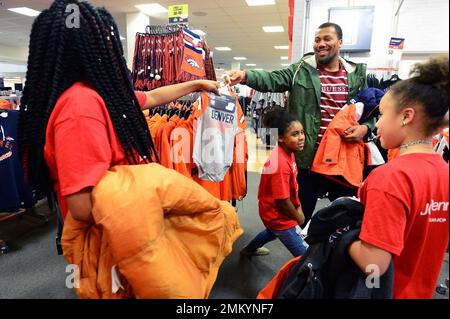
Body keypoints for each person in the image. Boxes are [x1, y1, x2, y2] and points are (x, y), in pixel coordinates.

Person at [18, 0, 220, 223]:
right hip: (114, 240)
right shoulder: (80, 107)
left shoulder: (102, 93)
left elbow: (152, 97)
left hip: (125, 230)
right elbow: (83, 207)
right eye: (106, 42)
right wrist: (154, 187)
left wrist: (197, 84)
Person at [225, 23, 372, 226]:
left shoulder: (356, 74)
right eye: (317, 39)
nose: (321, 44)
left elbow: (371, 108)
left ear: (340, 42)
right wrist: (245, 76)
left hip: (342, 158)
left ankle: (333, 253)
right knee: (302, 213)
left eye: (327, 39)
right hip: (308, 158)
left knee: (345, 214)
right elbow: (273, 79)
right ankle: (303, 254)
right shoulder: (301, 70)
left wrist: (365, 128)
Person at [348, 55, 449, 299]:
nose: (377, 123)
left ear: (406, 116)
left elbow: (374, 264)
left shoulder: (390, 178)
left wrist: (338, 237)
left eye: (381, 113)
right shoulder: (444, 172)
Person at [240, 108, 308, 257]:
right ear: (281, 138)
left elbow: (292, 187)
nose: (301, 137)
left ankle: (249, 250)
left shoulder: (287, 152)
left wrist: (298, 206)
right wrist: (298, 217)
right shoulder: (280, 163)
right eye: (295, 134)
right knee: (304, 256)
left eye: (302, 132)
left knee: (271, 233)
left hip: (275, 214)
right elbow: (282, 201)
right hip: (279, 217)